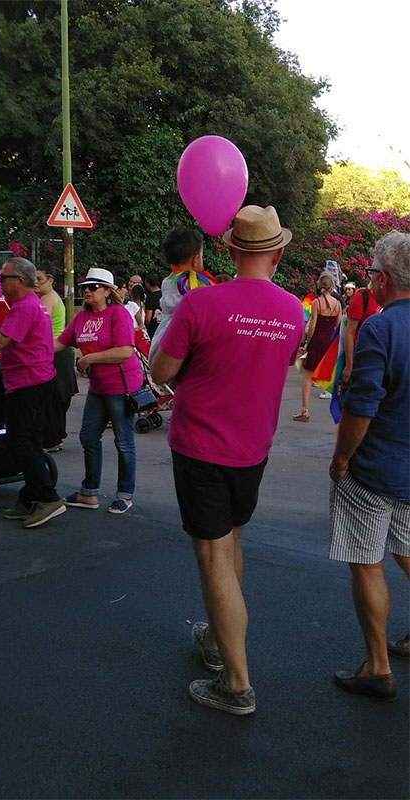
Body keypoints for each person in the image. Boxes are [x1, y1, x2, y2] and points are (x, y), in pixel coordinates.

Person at [151, 204, 304, 715]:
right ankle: (218, 641)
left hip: (201, 447)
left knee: (213, 556)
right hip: (252, 449)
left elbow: (160, 371)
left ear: (231, 250)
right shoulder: (293, 312)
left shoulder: (201, 303)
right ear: (277, 254)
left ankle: (236, 683)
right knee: (231, 541)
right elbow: (274, 363)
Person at [329, 230, 410, 701]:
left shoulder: (380, 328)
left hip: (375, 469)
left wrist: (341, 460)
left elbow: (361, 408)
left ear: (382, 279)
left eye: (372, 272)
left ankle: (377, 667)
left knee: (367, 563)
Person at [0, 257, 66, 528]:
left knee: (19, 441)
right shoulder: (28, 303)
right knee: (30, 440)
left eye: (3, 278)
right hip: (34, 380)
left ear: (19, 281)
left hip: (28, 383)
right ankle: (31, 496)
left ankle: (47, 497)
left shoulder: (25, 307)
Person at [55, 267, 143, 514]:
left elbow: (124, 351)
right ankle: (89, 493)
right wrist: (28, 347)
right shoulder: (82, 317)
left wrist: (90, 359)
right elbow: (59, 342)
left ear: (107, 291)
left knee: (123, 442)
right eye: (85, 287)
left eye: (93, 287)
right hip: (98, 387)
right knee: (88, 437)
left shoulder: (118, 313)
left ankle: (124, 495)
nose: (87, 291)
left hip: (121, 387)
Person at [149, 226, 213, 364]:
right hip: (186, 337)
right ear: (196, 259)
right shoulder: (195, 283)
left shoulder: (167, 281)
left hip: (163, 335)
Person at [35, 268, 78, 452]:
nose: (35, 282)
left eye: (39, 278)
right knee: (57, 399)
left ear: (50, 280)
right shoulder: (52, 297)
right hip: (58, 351)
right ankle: (55, 437)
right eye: (33, 278)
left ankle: (52, 439)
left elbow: (37, 325)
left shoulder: (47, 299)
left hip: (53, 352)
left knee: (52, 399)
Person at [293, 274, 342, 421]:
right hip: (330, 341)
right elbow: (338, 325)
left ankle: (305, 410)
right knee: (332, 375)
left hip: (317, 340)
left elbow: (312, 325)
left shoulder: (316, 302)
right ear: (331, 287)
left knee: (308, 376)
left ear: (320, 286)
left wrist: (307, 342)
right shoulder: (337, 304)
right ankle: (340, 410)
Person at [341, 281, 381, 384]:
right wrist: (349, 366)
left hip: (378, 360)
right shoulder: (362, 297)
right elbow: (350, 333)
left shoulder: (388, 299)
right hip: (360, 358)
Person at [144, 273, 162, 339]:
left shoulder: (150, 298)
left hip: (153, 330)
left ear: (147, 284)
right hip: (163, 326)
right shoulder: (163, 294)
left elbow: (148, 319)